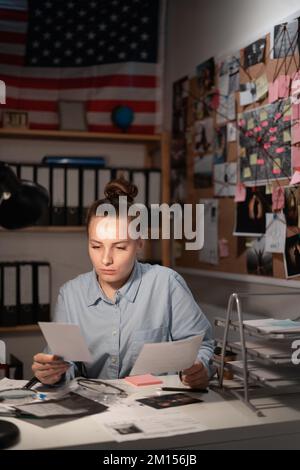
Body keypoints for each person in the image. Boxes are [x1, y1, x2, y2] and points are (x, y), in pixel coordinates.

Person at [32, 178, 214, 389]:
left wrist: (201, 367)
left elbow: (202, 344)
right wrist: (53, 372)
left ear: (139, 243)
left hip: (157, 407)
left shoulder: (166, 284)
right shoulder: (71, 294)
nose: (106, 259)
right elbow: (65, 362)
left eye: (119, 247)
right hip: (96, 411)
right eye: (96, 246)